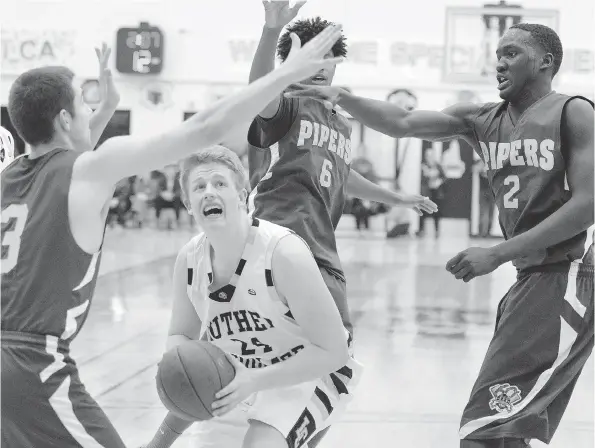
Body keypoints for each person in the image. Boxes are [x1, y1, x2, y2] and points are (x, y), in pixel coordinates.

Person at [0, 26, 346, 448]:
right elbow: (204, 128)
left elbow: (63, 163)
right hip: (34, 364)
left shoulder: (10, 177)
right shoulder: (91, 170)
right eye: (82, 103)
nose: (90, 111)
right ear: (67, 119)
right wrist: (286, 73)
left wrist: (107, 107)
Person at [283, 23, 594, 448]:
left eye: (512, 53)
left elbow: (588, 205)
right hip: (532, 279)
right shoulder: (481, 119)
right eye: (497, 54)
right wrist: (343, 97)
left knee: (486, 432)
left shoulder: (574, 112)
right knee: (508, 434)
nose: (499, 62)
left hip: (569, 276)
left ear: (546, 62)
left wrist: (498, 253)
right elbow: (403, 122)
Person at [144, 146, 361, 448]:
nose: (209, 192)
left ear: (242, 196)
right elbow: (181, 334)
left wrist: (255, 380)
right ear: (188, 204)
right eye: (199, 187)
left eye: (220, 184)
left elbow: (334, 352)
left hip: (314, 374)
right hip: (242, 376)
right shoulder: (189, 260)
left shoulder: (283, 253)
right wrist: (180, 364)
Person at [418, 147, 446, 238]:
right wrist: (427, 175)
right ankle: (421, 230)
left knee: (437, 212)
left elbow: (444, 177)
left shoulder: (438, 166)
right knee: (423, 211)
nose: (430, 157)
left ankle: (437, 231)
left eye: (431, 155)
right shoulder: (423, 166)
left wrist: (439, 182)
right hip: (427, 193)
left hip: (437, 193)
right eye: (428, 155)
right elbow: (422, 180)